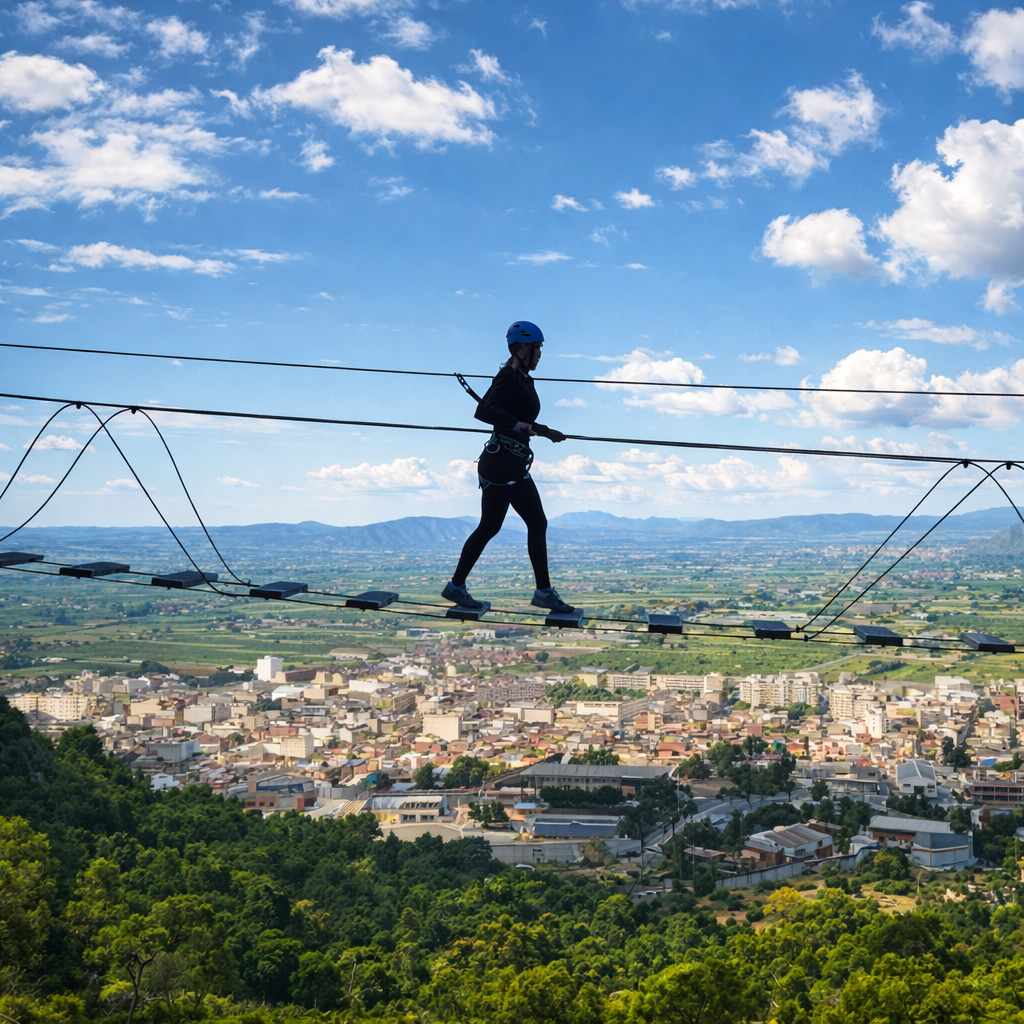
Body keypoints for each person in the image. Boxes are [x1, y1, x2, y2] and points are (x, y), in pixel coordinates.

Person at [442, 321, 575, 614]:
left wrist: (540, 429)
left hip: (504, 462)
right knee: (535, 523)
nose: (539, 354)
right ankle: (543, 592)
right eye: (536, 348)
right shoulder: (509, 375)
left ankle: (456, 586)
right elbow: (489, 410)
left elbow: (503, 413)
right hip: (505, 463)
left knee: (492, 526)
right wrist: (524, 426)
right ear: (521, 348)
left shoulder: (521, 378)